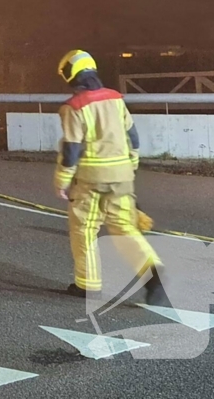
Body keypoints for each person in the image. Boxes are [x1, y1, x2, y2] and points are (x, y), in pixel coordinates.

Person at [54, 49, 168, 305]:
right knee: (125, 229)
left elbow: (72, 149)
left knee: (84, 231)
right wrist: (131, 165)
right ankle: (153, 274)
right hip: (122, 176)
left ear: (71, 75)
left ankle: (87, 285)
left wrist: (61, 181)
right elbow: (132, 136)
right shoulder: (116, 99)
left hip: (90, 180)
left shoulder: (73, 107)